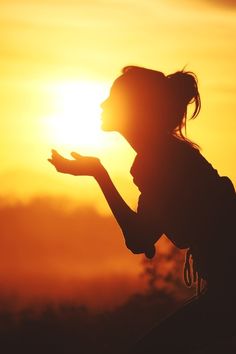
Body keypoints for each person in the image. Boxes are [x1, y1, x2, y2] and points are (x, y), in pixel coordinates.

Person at [48, 66, 236, 353]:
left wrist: (99, 174)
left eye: (113, 98)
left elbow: (138, 239)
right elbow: (144, 235)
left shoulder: (158, 161)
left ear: (135, 110)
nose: (103, 104)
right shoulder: (163, 156)